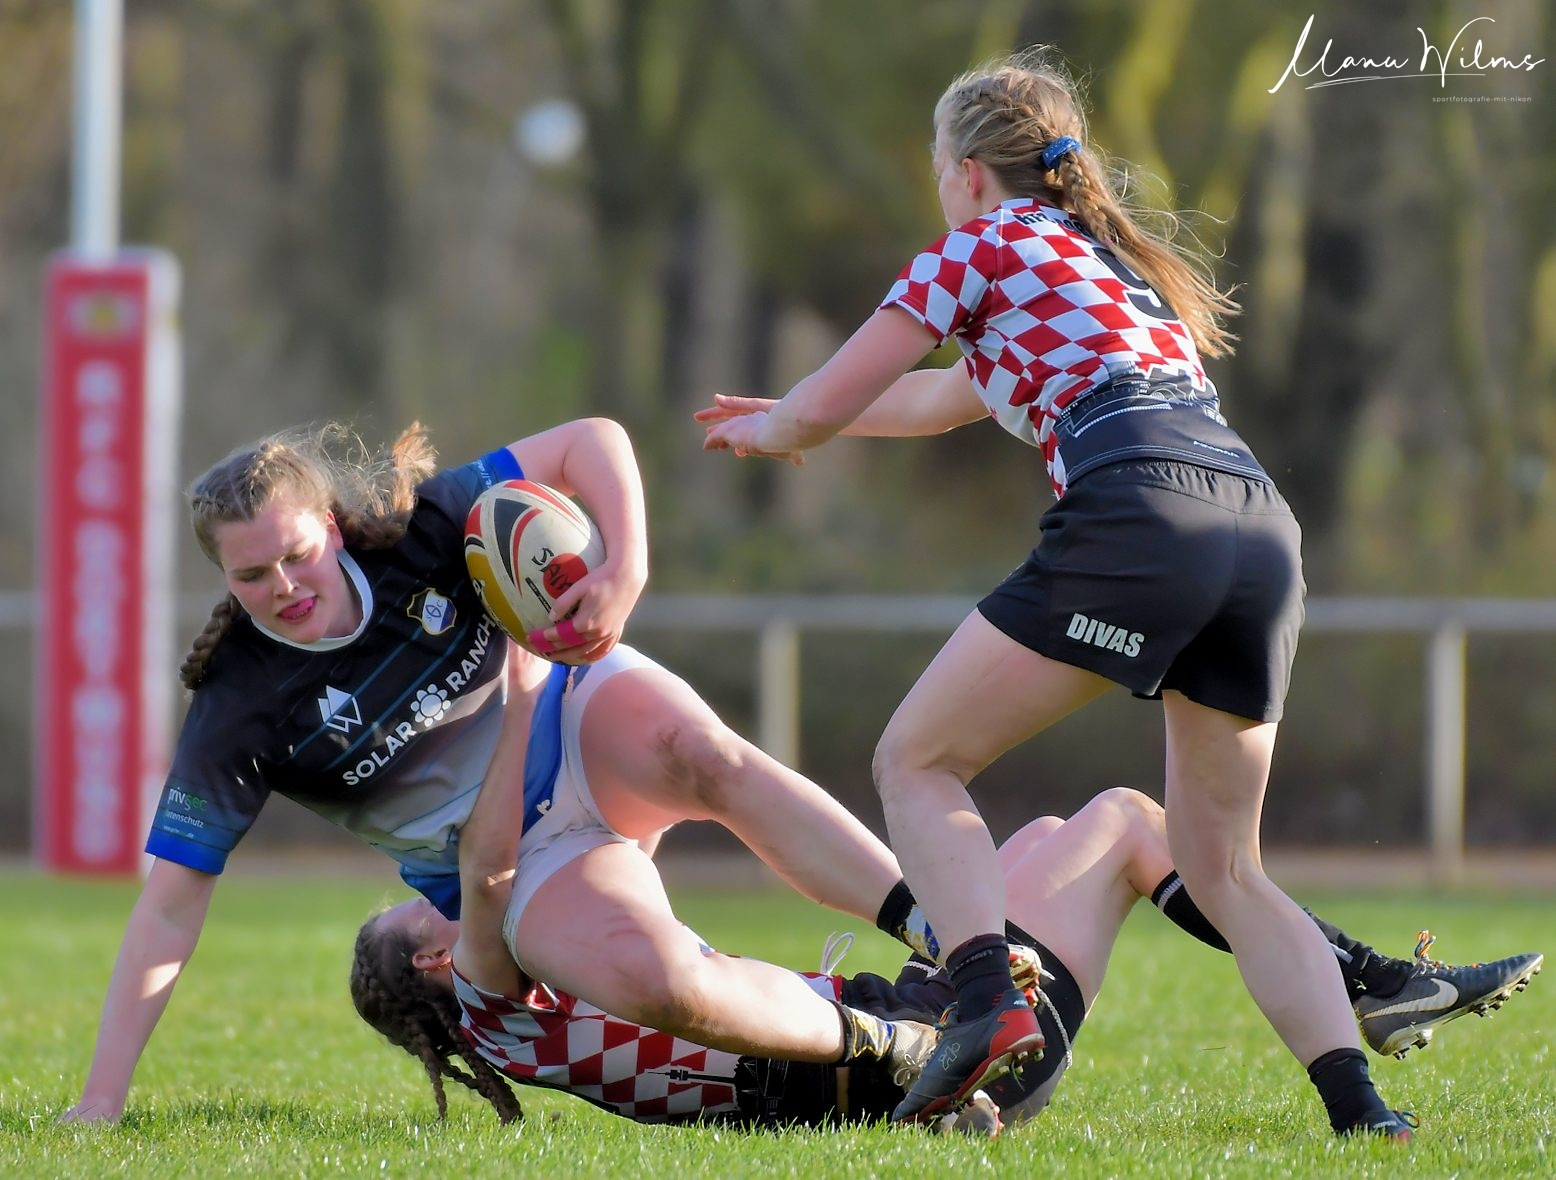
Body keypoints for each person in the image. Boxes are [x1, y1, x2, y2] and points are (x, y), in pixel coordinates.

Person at [697, 46, 1422, 1136]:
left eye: (937, 166)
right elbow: (937, 398)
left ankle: (987, 1002)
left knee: (916, 761)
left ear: (967, 171)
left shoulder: (978, 245)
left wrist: (782, 424)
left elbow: (832, 398)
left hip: (1141, 509)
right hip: (1260, 529)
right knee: (1224, 867)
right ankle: (1366, 1116)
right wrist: (801, 413)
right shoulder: (1108, 266)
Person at [62, 416, 939, 1122]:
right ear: (223, 574)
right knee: (661, 986)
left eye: (296, 555)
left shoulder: (421, 530)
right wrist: (102, 1100)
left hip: (577, 713)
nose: (285, 586)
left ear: (329, 526)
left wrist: (626, 568)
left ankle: (952, 942)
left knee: (701, 754)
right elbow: (169, 908)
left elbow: (592, 440)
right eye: (253, 575)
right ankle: (894, 1045)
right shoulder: (238, 709)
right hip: (521, 863)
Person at [354, 783, 1542, 1132]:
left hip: (890, 1048)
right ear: (435, 970)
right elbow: (495, 863)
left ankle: (1367, 984)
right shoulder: (502, 980)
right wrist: (529, 665)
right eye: (424, 914)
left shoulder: (526, 1015)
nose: (442, 898)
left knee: (1033, 837)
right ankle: (1369, 990)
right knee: (1126, 824)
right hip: (947, 1046)